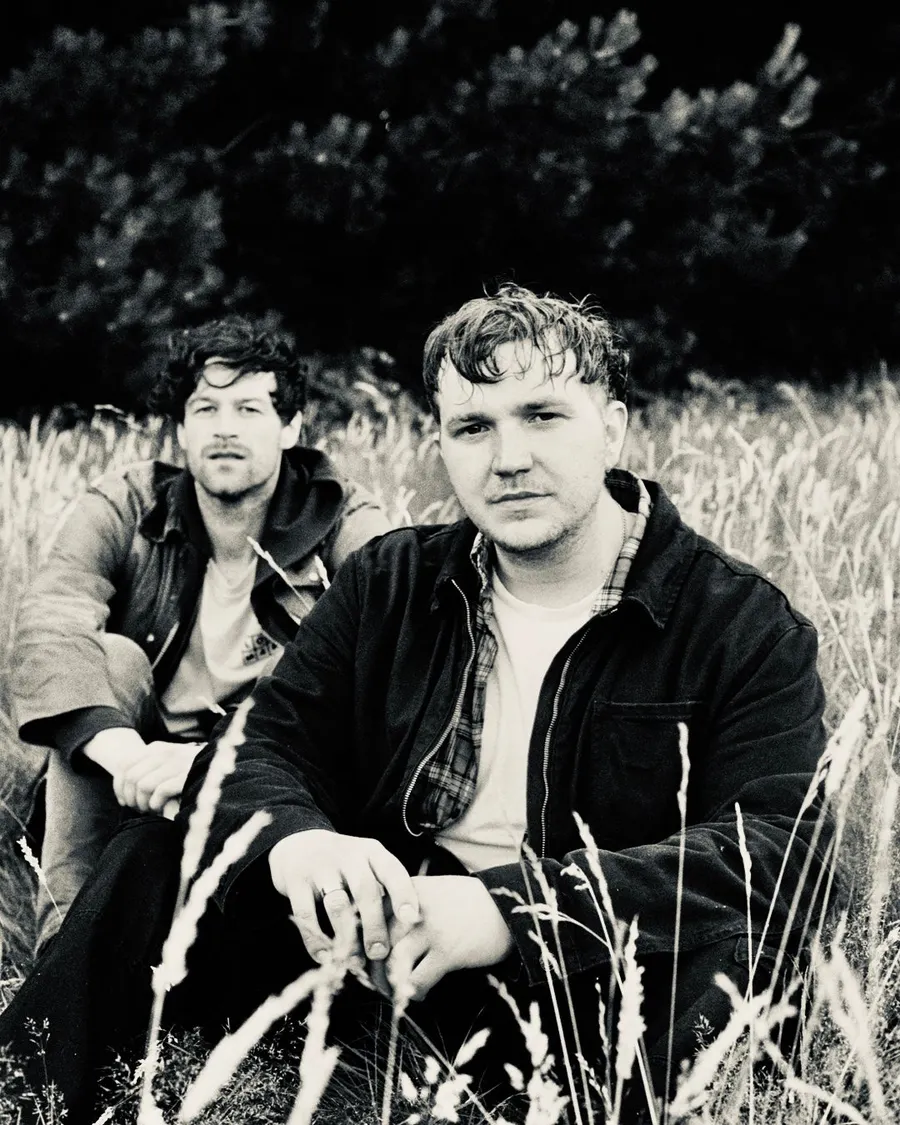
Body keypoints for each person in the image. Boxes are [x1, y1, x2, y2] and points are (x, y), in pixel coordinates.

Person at [0, 285, 837, 1123]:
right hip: (371, 947)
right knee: (151, 857)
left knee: (739, 955)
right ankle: (27, 1094)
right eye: (473, 427)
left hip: (578, 984)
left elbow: (781, 846)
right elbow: (264, 745)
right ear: (441, 444)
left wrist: (512, 910)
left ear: (612, 427)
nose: (508, 458)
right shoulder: (392, 580)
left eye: (542, 416)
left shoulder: (741, 623)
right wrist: (296, 843)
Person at [11, 314, 390, 952]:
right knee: (110, 657)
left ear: (290, 427)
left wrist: (208, 764)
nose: (224, 427)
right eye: (205, 408)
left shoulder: (343, 519)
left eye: (249, 408)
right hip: (130, 764)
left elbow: (392, 649)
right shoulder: (130, 503)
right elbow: (52, 617)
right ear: (182, 429)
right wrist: (122, 753)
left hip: (262, 765)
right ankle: (65, 945)